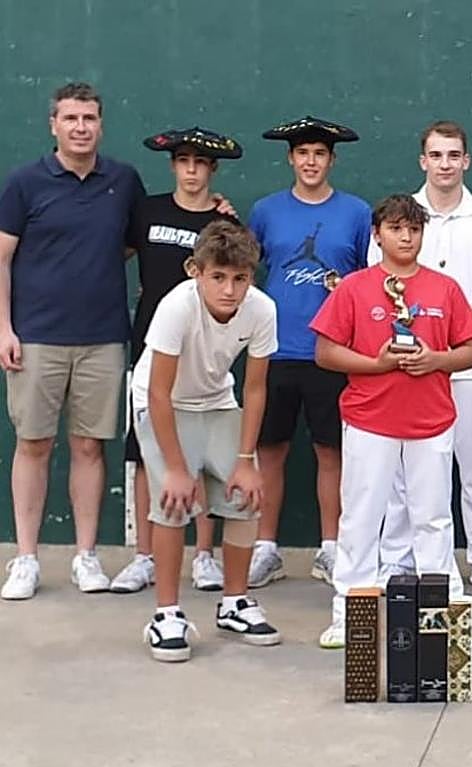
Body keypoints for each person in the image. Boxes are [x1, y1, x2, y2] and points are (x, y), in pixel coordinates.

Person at [311, 194, 472, 648]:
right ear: (377, 234)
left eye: (414, 229)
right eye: (396, 229)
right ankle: (349, 614)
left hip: (432, 421)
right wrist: (379, 364)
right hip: (369, 420)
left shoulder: (445, 288)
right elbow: (325, 353)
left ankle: (443, 610)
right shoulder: (354, 288)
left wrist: (435, 359)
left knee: (434, 519)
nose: (406, 237)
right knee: (362, 519)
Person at [0, 82, 145, 601]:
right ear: (53, 125)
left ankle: (86, 557)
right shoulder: (24, 184)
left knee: (89, 445)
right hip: (36, 337)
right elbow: (2, 258)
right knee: (33, 444)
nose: (80, 127)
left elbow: (132, 243)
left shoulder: (123, 181)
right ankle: (26, 559)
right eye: (71, 119)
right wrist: (4, 328)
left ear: (100, 125)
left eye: (89, 118)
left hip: (103, 337)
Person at [372, 121, 472, 595]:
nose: (445, 164)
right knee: (402, 471)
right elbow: (382, 284)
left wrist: (461, 315)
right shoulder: (403, 221)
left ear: (466, 161)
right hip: (408, 366)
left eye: (453, 155)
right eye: (436, 155)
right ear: (423, 161)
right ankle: (399, 561)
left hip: (469, 362)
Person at [132, 220, 280, 662]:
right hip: (161, 403)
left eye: (240, 278)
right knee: (173, 502)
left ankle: (234, 603)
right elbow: (159, 392)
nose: (229, 289)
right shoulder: (176, 307)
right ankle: (166, 615)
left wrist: (245, 459)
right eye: (218, 277)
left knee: (247, 496)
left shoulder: (262, 310)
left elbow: (255, 389)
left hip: (217, 404)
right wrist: (176, 469)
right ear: (195, 271)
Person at [110, 127, 244, 595]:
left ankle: (203, 556)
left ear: (213, 170)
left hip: (207, 354)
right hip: (152, 346)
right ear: (173, 166)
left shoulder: (224, 224)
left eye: (200, 163)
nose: (191, 170)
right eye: (184, 161)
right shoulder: (147, 212)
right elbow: (117, 255)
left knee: (204, 456)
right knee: (149, 454)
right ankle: (144, 556)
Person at [248, 116, 371, 589]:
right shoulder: (265, 211)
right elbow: (245, 268)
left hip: (331, 352)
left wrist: (346, 290)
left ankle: (331, 549)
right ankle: (264, 548)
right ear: (291, 159)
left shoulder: (357, 213)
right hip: (274, 352)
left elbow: (365, 280)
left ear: (331, 160)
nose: (311, 161)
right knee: (269, 450)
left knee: (330, 451)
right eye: (303, 154)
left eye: (320, 154)